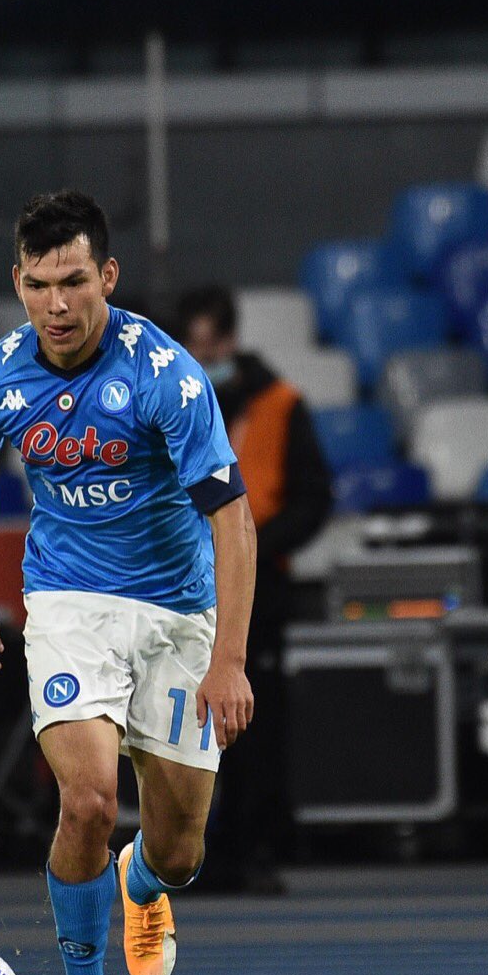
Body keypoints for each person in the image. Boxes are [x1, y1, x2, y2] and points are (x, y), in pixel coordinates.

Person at [0, 190, 255, 975]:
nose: (58, 304)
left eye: (75, 281)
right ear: (19, 283)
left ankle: (143, 882)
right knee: (86, 798)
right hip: (70, 605)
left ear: (106, 276)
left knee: (182, 848)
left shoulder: (167, 375)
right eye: (39, 285)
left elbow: (233, 517)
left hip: (177, 613)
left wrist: (228, 657)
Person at [174, 284, 331, 894]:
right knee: (186, 724)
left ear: (233, 342)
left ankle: (253, 847)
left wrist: (252, 544)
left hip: (259, 593)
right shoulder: (172, 404)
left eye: (211, 342)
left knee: (254, 725)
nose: (202, 352)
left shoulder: (282, 405)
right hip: (183, 589)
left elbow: (313, 499)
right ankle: (195, 848)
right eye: (194, 343)